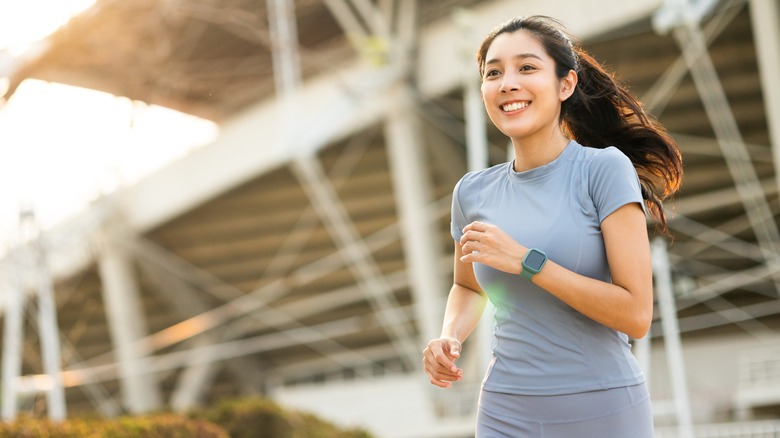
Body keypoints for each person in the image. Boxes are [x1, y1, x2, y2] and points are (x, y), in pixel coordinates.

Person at [422, 15, 683, 437]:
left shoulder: (603, 170)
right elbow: (467, 286)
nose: (507, 83)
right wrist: (449, 336)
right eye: (493, 73)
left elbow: (636, 315)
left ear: (566, 84)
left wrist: (527, 262)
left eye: (527, 67)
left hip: (603, 408)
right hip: (505, 412)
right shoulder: (472, 191)